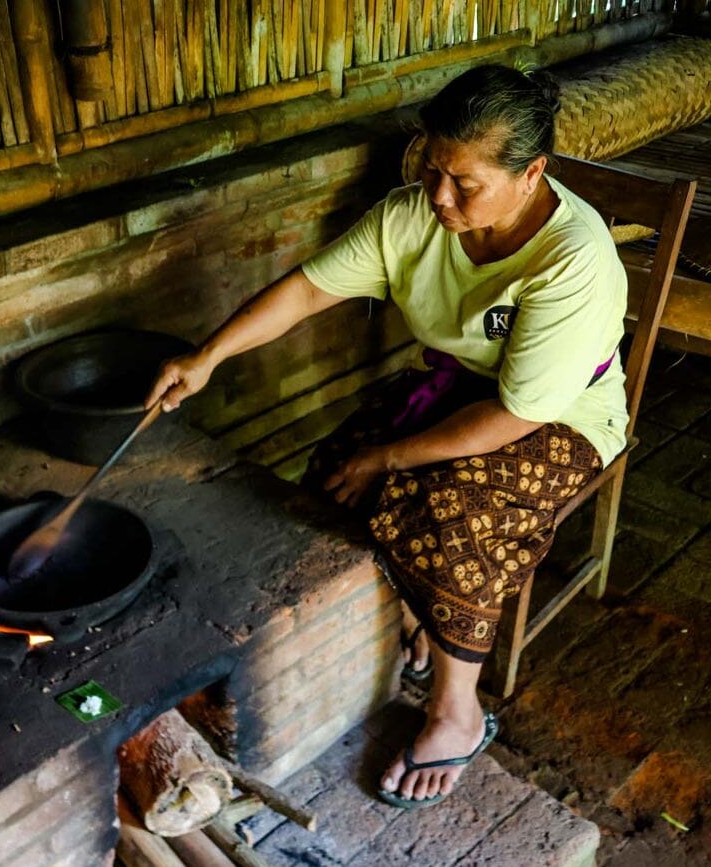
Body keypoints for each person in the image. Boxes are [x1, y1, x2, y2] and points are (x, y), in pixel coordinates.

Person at [145, 64, 628, 809]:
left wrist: (394, 452)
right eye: (432, 170)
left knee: (457, 509)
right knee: (338, 469)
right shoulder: (413, 217)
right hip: (463, 390)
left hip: (558, 416)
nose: (439, 196)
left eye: (464, 183)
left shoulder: (574, 258)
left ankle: (456, 710)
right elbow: (308, 288)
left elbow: (515, 416)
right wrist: (207, 357)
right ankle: (399, 616)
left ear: (531, 173)